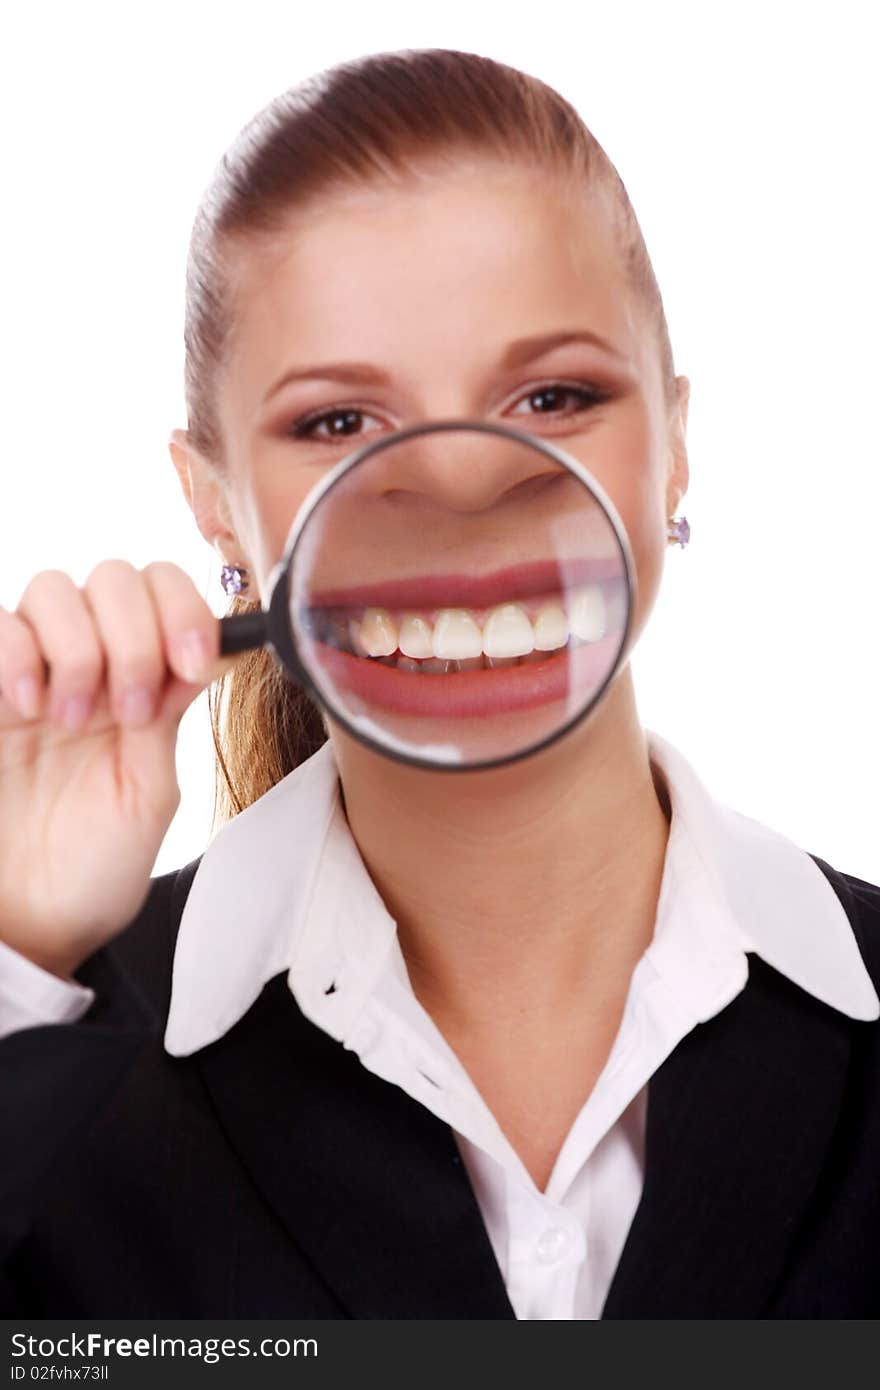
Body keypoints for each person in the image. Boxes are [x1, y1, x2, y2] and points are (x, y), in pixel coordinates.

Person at [1, 48, 879, 1321]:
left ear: (675, 447)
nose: (461, 500)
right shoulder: (55, 1044)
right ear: (213, 504)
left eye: (553, 395)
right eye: (340, 424)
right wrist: (20, 951)